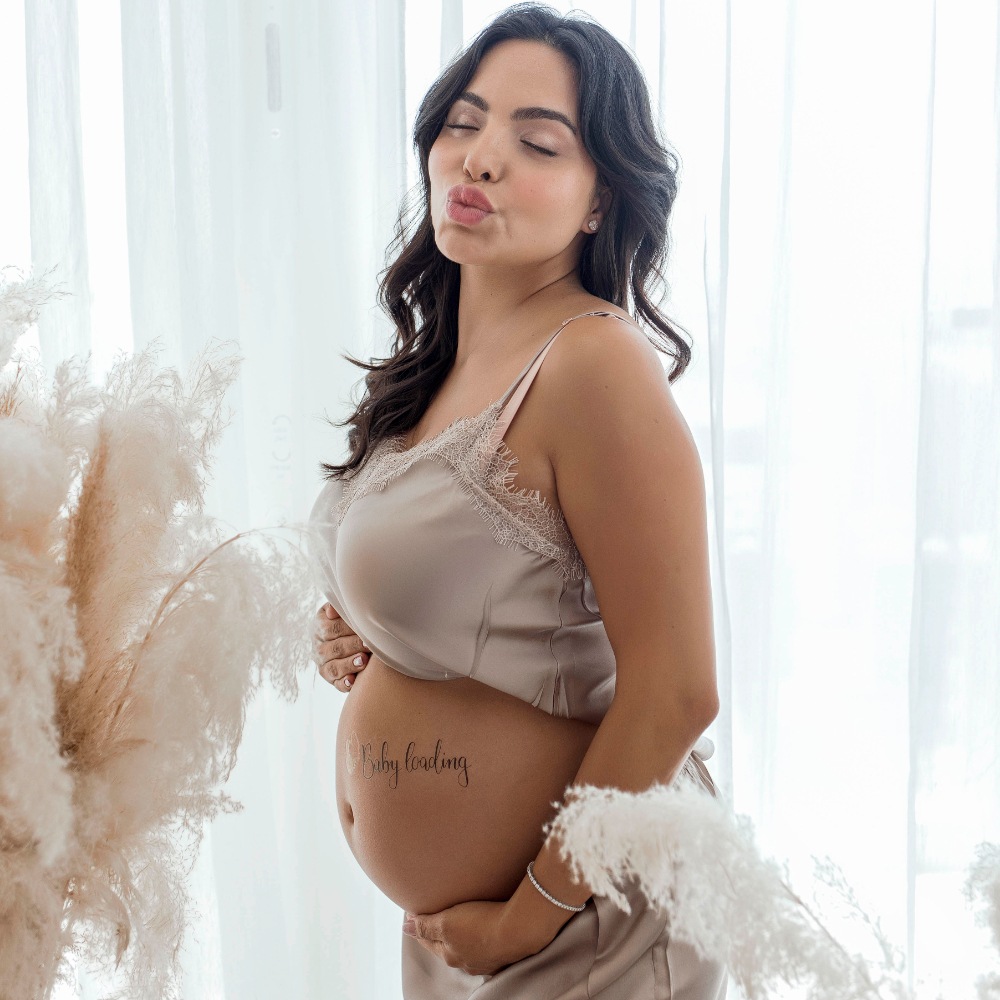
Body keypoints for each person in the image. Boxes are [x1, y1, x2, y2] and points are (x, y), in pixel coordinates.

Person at [307, 3, 727, 997]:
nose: (481, 157)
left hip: (588, 920)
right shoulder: (434, 369)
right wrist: (360, 631)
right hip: (468, 935)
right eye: (463, 122)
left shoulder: (592, 365)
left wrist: (525, 915)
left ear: (599, 201)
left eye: (536, 143)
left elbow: (676, 690)